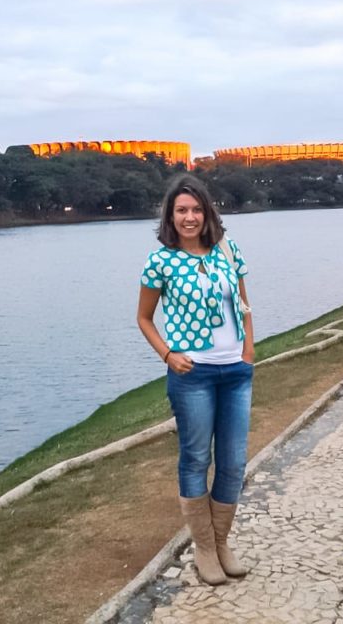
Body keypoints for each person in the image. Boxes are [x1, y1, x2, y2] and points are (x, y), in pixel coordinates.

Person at [136, 174, 255, 586]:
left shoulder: (228, 250)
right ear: (171, 216)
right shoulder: (161, 261)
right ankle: (203, 549)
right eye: (181, 210)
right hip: (193, 375)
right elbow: (144, 318)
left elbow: (244, 305)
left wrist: (249, 351)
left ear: (208, 212)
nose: (189, 217)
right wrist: (168, 354)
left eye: (196, 209)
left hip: (236, 372)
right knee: (196, 459)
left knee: (234, 461)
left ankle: (221, 543)